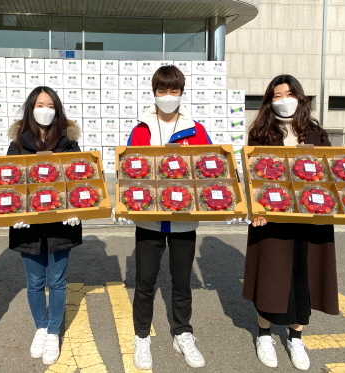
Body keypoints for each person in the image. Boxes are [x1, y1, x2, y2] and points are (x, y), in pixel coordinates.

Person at [243, 74, 345, 371]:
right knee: (271, 276)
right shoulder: (260, 131)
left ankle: (296, 337)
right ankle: (264, 334)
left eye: (289, 94)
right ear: (269, 101)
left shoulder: (315, 131)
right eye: (277, 95)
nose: (284, 100)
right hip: (273, 217)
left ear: (301, 97)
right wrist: (256, 208)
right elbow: (252, 175)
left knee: (304, 276)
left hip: (313, 218)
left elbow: (338, 172)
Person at [126, 65, 211, 370]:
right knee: (145, 282)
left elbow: (209, 171)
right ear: (154, 93)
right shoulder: (140, 130)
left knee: (181, 281)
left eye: (173, 90)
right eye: (162, 90)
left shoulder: (197, 130)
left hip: (184, 219)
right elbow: (130, 173)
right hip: (149, 219)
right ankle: (141, 336)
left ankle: (183, 332)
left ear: (181, 92)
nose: (168, 96)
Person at [7, 86, 82, 365]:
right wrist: (13, 211)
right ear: (31, 108)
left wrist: (78, 210)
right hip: (27, 225)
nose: (45, 110)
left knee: (58, 281)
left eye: (50, 105)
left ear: (57, 110)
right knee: (35, 281)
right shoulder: (17, 144)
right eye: (40, 104)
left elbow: (80, 179)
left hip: (61, 224)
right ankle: (41, 327)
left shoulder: (68, 143)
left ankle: (53, 331)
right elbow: (6, 183)